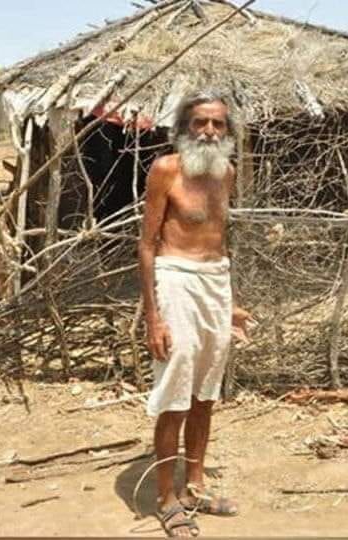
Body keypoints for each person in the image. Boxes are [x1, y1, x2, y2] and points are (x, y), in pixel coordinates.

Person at [138, 90, 252, 537]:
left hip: (214, 283)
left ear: (227, 131)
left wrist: (228, 303)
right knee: (175, 393)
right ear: (184, 127)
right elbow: (147, 245)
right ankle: (166, 498)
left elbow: (219, 240)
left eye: (217, 124)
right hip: (175, 280)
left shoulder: (227, 173)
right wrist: (153, 317)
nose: (209, 131)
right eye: (200, 122)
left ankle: (195, 488)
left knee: (205, 392)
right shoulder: (166, 170)